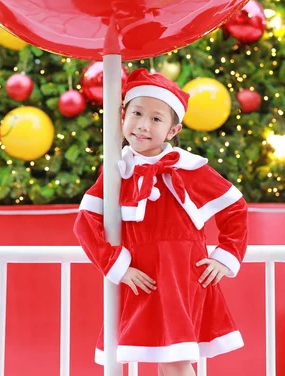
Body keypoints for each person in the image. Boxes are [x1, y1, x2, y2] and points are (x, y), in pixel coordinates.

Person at [73, 68, 249, 376]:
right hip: (142, 278)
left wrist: (225, 256)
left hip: (183, 276)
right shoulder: (118, 171)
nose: (143, 125)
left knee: (175, 359)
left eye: (156, 119)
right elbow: (85, 223)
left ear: (172, 130)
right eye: (137, 113)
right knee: (159, 354)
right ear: (123, 116)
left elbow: (235, 208)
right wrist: (118, 266)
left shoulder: (189, 168)